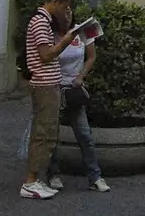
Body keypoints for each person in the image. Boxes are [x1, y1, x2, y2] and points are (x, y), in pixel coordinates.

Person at [21, 0, 80, 199]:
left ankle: (37, 178)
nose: (66, 11)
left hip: (50, 84)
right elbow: (46, 55)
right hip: (44, 85)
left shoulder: (47, 21)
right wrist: (65, 42)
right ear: (56, 1)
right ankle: (31, 180)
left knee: (47, 133)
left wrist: (66, 24)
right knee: (43, 133)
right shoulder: (40, 22)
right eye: (65, 6)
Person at [44, 10, 110, 193]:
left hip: (74, 89)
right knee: (52, 135)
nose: (66, 15)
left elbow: (92, 56)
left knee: (85, 135)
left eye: (69, 11)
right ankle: (53, 173)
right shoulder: (52, 34)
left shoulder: (82, 31)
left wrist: (81, 75)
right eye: (62, 12)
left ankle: (95, 176)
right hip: (55, 88)